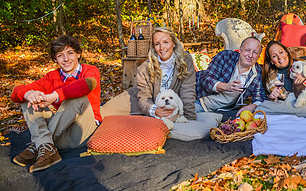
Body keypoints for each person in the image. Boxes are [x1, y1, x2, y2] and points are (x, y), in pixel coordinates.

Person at [11, 35, 101, 173]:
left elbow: (88, 84)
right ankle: (46, 147)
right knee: (27, 99)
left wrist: (55, 96)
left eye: (70, 53)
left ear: (78, 54)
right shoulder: (52, 77)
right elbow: (16, 92)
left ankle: (38, 145)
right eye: (60, 55)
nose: (66, 59)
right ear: (55, 59)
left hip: (83, 131)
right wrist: (28, 94)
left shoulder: (90, 70)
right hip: (61, 132)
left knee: (77, 98)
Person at [102, 26, 197, 121]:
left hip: (169, 108)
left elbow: (188, 91)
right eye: (157, 44)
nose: (162, 47)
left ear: (174, 43)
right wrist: (154, 110)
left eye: (166, 42)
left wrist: (190, 119)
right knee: (100, 114)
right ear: (153, 47)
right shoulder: (144, 68)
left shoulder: (185, 60)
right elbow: (143, 98)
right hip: (136, 101)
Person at [195, 36, 267, 117]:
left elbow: (260, 98)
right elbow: (206, 80)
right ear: (240, 49)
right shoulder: (225, 56)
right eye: (247, 50)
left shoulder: (257, 73)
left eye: (255, 52)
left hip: (220, 111)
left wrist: (253, 106)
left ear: (259, 55)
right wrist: (226, 86)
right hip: (196, 97)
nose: (250, 55)